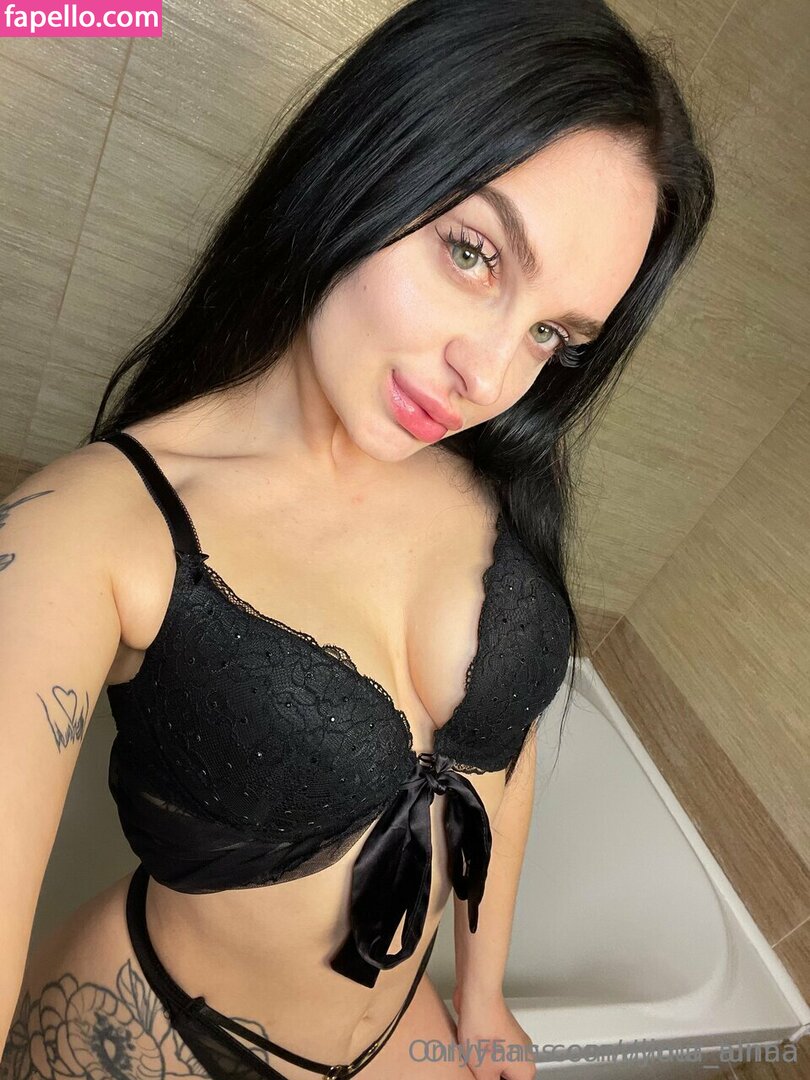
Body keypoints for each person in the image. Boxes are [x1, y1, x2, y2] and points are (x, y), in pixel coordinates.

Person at [0, 0, 715, 1077]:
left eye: (552, 334)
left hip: (398, 1037)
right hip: (152, 1041)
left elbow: (497, 750)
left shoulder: (496, 478)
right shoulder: (94, 527)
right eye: (473, 253)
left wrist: (482, 993)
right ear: (364, 163)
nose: (490, 375)